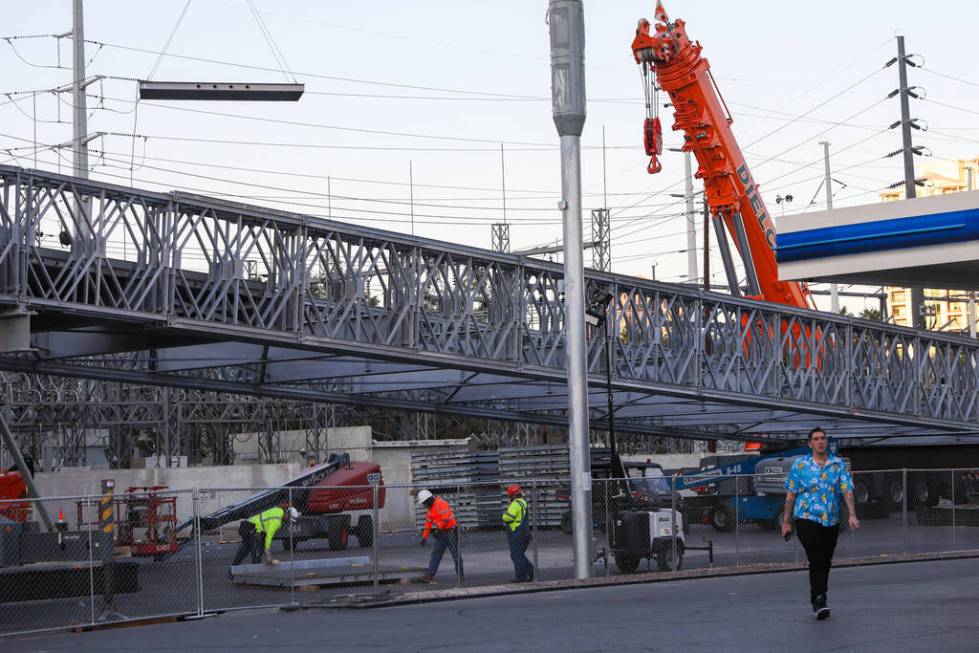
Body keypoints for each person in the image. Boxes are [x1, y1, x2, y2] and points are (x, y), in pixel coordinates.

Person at [782, 427, 860, 620]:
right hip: (806, 518)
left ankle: (821, 592)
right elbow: (791, 496)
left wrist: (852, 514)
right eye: (816, 439)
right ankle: (818, 599)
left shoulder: (837, 464)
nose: (820, 442)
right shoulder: (801, 466)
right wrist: (786, 522)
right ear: (810, 444)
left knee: (825, 560)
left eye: (822, 438)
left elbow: (847, 490)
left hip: (831, 520)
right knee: (816, 555)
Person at [231, 505, 300, 571]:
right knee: (256, 552)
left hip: (248, 526)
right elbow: (269, 536)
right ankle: (257, 576)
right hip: (252, 528)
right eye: (289, 519)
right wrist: (267, 551)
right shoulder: (277, 521)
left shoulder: (278, 510)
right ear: (287, 514)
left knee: (245, 551)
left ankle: (232, 570)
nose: (288, 521)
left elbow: (263, 523)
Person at [417, 489, 463, 583]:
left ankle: (460, 576)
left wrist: (438, 528)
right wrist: (424, 537)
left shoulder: (441, 504)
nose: (424, 505)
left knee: (456, 555)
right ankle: (430, 575)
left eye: (424, 503)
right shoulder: (430, 511)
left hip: (450, 532)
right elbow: (428, 525)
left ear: (429, 500)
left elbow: (445, 519)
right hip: (441, 533)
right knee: (436, 554)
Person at [502, 484, 534, 582]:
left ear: (512, 495)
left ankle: (521, 577)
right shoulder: (523, 502)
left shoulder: (515, 504)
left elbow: (509, 517)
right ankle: (531, 571)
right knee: (518, 554)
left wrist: (504, 516)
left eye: (510, 495)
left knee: (516, 556)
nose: (509, 497)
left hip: (516, 532)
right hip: (524, 532)